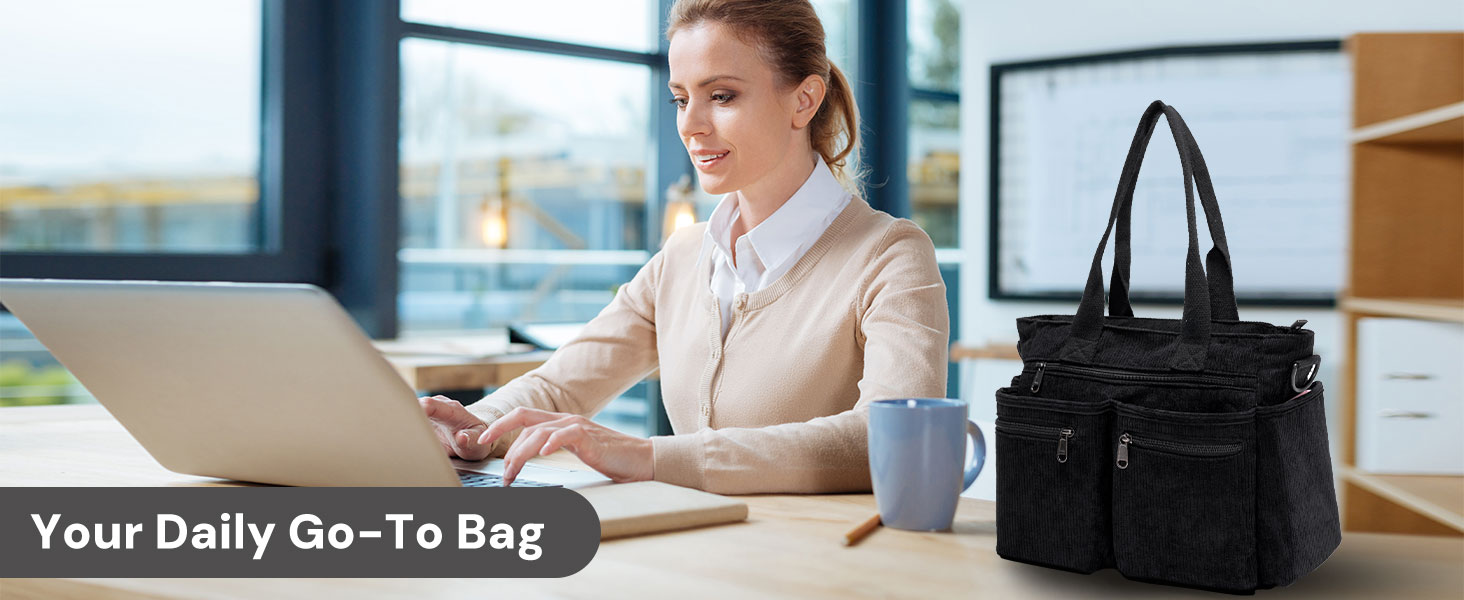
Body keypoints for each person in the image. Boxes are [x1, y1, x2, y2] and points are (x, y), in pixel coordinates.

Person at [419, 0, 948, 495]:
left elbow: (896, 436)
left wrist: (649, 457)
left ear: (803, 100)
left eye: (721, 96)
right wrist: (477, 426)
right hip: (694, 548)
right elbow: (559, 387)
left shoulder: (890, 257)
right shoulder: (685, 255)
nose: (691, 125)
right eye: (680, 99)